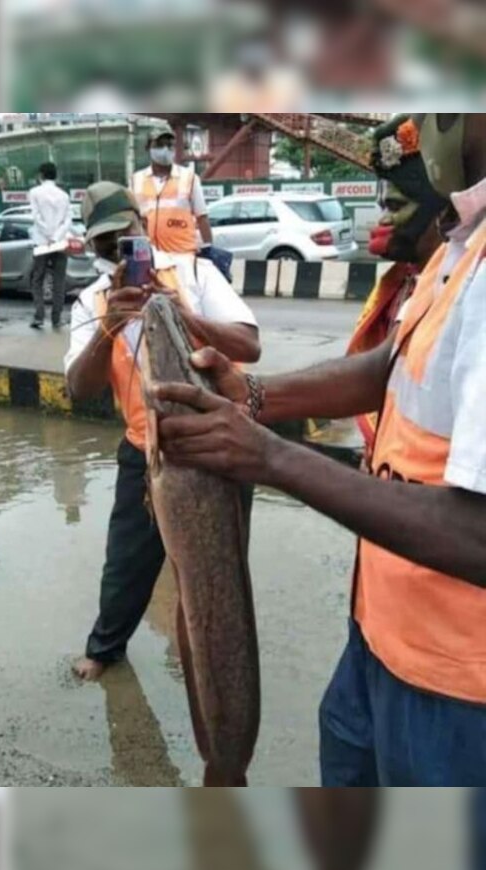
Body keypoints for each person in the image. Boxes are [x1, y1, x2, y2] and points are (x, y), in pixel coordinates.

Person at [151, 113, 486, 786]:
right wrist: (252, 396)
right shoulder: (463, 239)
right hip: (379, 638)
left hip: (457, 689)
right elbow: (393, 366)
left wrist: (269, 458)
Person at [64, 182, 261, 682]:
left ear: (141, 225)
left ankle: (212, 654)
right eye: (104, 245)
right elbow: (78, 389)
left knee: (221, 563)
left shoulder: (197, 271)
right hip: (146, 452)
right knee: (127, 560)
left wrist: (183, 315)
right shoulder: (91, 301)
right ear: (93, 247)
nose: (116, 252)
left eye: (123, 236)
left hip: (220, 442)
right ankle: (105, 648)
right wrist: (110, 323)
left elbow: (248, 343)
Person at [346, 113, 448, 455]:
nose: (384, 220)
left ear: (443, 213)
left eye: (396, 206)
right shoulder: (400, 283)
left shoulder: (459, 286)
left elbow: (373, 376)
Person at [130, 127, 213, 256]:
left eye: (169, 145)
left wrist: (209, 249)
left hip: (183, 256)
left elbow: (202, 217)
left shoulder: (189, 178)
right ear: (148, 148)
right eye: (159, 144)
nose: (165, 149)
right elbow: (131, 218)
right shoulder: (136, 180)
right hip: (149, 257)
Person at [28, 161, 73, 330]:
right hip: (60, 242)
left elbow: (36, 217)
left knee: (37, 279)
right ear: (56, 175)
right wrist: (56, 236)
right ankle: (56, 318)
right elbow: (67, 220)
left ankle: (39, 316)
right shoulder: (64, 195)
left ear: (40, 175)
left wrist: (48, 235)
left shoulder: (35, 192)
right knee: (59, 280)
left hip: (41, 242)